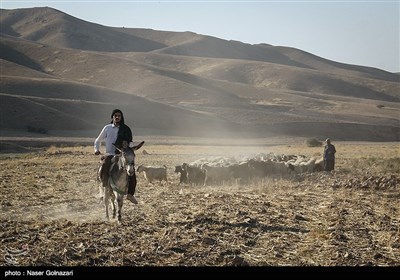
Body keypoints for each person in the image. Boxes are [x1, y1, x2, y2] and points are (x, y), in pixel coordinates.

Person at [94, 109, 138, 204]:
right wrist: (96, 149)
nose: (117, 117)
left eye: (119, 116)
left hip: (122, 154)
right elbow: (98, 140)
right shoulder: (107, 128)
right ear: (112, 117)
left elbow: (130, 142)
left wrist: (129, 151)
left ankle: (130, 194)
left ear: (121, 117)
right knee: (104, 166)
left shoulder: (126, 129)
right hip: (110, 154)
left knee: (131, 171)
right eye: (115, 115)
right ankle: (104, 188)